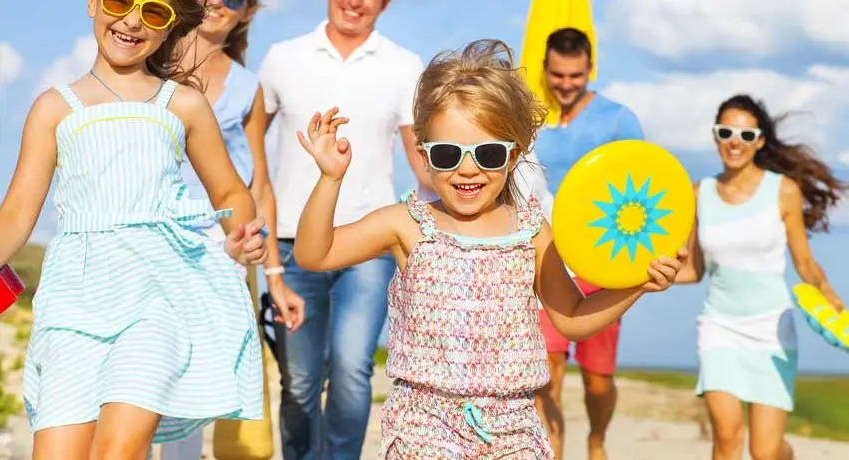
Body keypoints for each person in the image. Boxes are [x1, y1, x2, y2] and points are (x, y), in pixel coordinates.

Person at [292, 38, 686, 459]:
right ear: (424, 155)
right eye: (448, 154)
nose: (468, 169)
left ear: (513, 155)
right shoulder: (407, 224)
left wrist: (637, 285)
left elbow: (571, 317)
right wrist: (330, 179)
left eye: (489, 153)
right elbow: (315, 254)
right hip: (424, 428)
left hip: (514, 429)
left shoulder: (531, 230)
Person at [0, 0, 269, 458]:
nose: (131, 21)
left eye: (154, 12)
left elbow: (229, 190)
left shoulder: (183, 103)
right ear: (93, 5)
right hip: (73, 301)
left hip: (160, 295)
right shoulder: (53, 107)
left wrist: (240, 233)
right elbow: (15, 215)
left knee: (118, 450)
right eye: (121, 2)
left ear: (170, 27)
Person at [257, 0, 426, 457]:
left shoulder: (405, 65)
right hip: (292, 243)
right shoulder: (281, 57)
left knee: (353, 369)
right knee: (300, 380)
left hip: (370, 246)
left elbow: (422, 161)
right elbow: (249, 149)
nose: (354, 2)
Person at [160, 0, 305, 458]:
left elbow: (259, 185)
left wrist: (275, 277)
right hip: (155, 240)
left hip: (223, 248)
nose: (217, 3)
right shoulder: (150, 61)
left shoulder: (247, 87)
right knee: (148, 370)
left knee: (204, 375)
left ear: (249, 13)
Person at [676, 94, 846, 460]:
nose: (735, 142)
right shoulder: (698, 194)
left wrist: (827, 292)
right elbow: (694, 269)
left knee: (766, 453)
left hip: (772, 331)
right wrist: (637, 276)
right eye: (726, 132)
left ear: (760, 141)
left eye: (746, 135)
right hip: (719, 328)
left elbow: (804, 262)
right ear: (715, 136)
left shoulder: (783, 191)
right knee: (726, 436)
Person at [528, 27, 645, 460]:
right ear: (545, 68)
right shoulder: (530, 119)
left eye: (575, 76)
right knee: (547, 371)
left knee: (597, 381)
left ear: (590, 69)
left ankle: (597, 439)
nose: (566, 84)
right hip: (546, 258)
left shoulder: (618, 120)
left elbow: (644, 189)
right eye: (558, 75)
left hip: (603, 261)